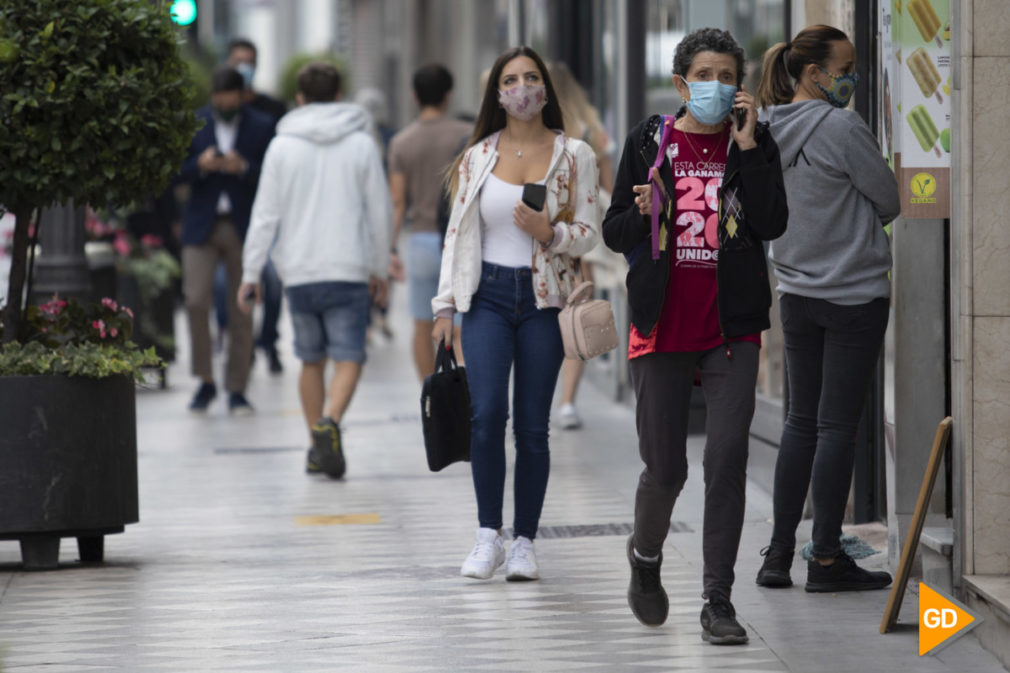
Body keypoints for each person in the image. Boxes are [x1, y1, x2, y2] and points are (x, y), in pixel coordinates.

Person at [602, 27, 788, 642]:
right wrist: (647, 209)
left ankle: (718, 600)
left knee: (727, 458)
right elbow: (615, 231)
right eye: (704, 74)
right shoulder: (651, 140)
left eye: (727, 74)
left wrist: (751, 146)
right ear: (682, 82)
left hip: (731, 327)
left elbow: (771, 222)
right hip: (663, 324)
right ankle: (646, 558)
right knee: (666, 469)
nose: (716, 84)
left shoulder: (754, 144)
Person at [432, 46, 599, 581]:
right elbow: (456, 239)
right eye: (511, 79)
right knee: (486, 417)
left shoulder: (575, 155)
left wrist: (550, 233)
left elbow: (590, 234)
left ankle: (524, 540)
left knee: (532, 426)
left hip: (544, 300)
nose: (522, 87)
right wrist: (445, 307)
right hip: (487, 298)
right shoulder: (477, 155)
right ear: (497, 94)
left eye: (531, 77)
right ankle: (488, 535)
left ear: (546, 89)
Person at [753, 26, 899, 593]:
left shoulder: (763, 127)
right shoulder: (841, 126)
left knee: (799, 424)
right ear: (813, 74)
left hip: (795, 294)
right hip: (855, 296)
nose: (851, 77)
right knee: (837, 426)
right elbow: (888, 197)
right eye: (845, 67)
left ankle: (778, 555)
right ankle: (827, 560)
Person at [238, 63, 392, 480]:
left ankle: (314, 445)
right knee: (349, 356)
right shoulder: (362, 144)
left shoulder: (281, 146)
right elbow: (379, 210)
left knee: (309, 360)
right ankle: (331, 421)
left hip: (300, 270)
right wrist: (381, 267)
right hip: (348, 267)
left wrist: (250, 273)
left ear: (300, 98)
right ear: (340, 94)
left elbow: (264, 215)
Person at [177, 66, 274, 414]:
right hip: (201, 224)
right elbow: (174, 171)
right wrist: (200, 166)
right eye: (217, 99)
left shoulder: (261, 125)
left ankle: (237, 387)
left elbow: (272, 175)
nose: (223, 104)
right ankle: (204, 380)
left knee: (242, 307)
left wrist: (243, 168)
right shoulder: (196, 122)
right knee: (195, 299)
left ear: (242, 95)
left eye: (229, 98)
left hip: (242, 226)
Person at [388, 64, 472, 381]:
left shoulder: (401, 142)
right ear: (448, 96)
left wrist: (391, 247)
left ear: (414, 96)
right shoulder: (467, 135)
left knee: (423, 325)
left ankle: (432, 395)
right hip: (462, 239)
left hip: (421, 239)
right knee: (463, 325)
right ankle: (469, 396)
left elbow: (398, 202)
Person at [547, 61, 616, 430]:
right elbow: (608, 190)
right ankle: (568, 402)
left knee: (549, 316)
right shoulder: (592, 132)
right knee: (579, 315)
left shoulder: (540, 132)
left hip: (546, 236)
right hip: (582, 239)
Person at [228, 37, 288, 374]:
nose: (244, 68)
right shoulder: (222, 107)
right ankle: (243, 344)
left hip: (268, 212)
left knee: (274, 284)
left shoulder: (271, 110)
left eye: (249, 61)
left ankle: (269, 341)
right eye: (238, 61)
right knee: (233, 286)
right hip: (233, 216)